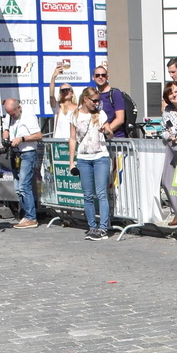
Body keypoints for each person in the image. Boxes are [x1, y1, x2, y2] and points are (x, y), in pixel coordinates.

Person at [68, 86, 113, 240]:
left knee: (101, 193)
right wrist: (71, 161)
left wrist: (106, 131)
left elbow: (111, 133)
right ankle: (92, 226)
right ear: (85, 99)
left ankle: (103, 228)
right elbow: (72, 139)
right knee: (87, 195)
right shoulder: (75, 115)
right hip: (83, 158)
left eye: (98, 101)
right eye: (94, 100)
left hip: (100, 156)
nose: (96, 103)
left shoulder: (100, 114)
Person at [0, 98, 42, 229]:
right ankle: (26, 214)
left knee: (24, 185)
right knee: (18, 188)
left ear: (19, 107)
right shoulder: (9, 116)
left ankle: (31, 217)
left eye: (13, 113)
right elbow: (6, 129)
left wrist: (22, 139)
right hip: (15, 153)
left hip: (27, 152)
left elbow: (39, 135)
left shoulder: (29, 116)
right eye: (9, 114)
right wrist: (6, 137)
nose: (11, 116)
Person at [91, 63, 129, 139]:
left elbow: (120, 119)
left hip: (116, 139)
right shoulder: (94, 95)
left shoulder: (115, 93)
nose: (100, 77)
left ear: (107, 77)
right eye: (97, 75)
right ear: (93, 78)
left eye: (103, 75)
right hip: (100, 140)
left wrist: (105, 132)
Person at [48, 61, 79, 129]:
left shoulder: (79, 108)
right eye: (62, 90)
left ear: (72, 93)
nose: (65, 92)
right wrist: (53, 77)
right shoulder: (57, 107)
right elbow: (51, 95)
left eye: (67, 90)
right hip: (59, 139)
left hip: (75, 139)